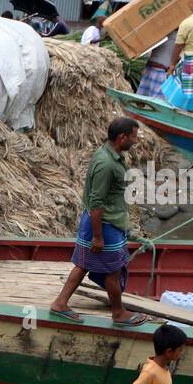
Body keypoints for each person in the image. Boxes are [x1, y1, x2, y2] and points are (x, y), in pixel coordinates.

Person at [49, 117, 147, 327]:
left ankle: (60, 303)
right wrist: (98, 236)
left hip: (108, 223)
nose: (135, 141)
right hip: (103, 225)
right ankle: (118, 313)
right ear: (122, 138)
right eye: (133, 137)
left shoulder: (110, 155)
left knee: (83, 265)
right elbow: (96, 202)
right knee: (113, 270)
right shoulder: (106, 164)